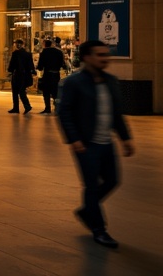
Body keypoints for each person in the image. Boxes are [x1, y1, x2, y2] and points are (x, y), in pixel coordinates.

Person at [57, 40, 134, 249]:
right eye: (99, 55)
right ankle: (99, 229)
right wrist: (74, 139)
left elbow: (116, 113)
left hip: (106, 142)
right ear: (87, 58)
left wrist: (125, 138)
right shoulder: (74, 82)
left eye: (105, 54)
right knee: (91, 185)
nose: (104, 58)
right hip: (86, 143)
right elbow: (64, 113)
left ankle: (86, 210)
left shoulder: (111, 81)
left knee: (113, 181)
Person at [36, 38, 66, 114]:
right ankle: (57, 108)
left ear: (44, 44)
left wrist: (38, 67)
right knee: (55, 92)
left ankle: (47, 108)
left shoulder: (44, 52)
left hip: (47, 74)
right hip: (56, 74)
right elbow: (63, 64)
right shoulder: (59, 52)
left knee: (46, 91)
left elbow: (40, 66)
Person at [7, 39, 35, 114]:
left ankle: (17, 107)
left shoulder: (15, 53)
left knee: (15, 92)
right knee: (22, 91)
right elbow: (30, 65)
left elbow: (12, 64)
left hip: (17, 75)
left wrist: (10, 71)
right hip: (25, 75)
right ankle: (26, 106)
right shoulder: (28, 54)